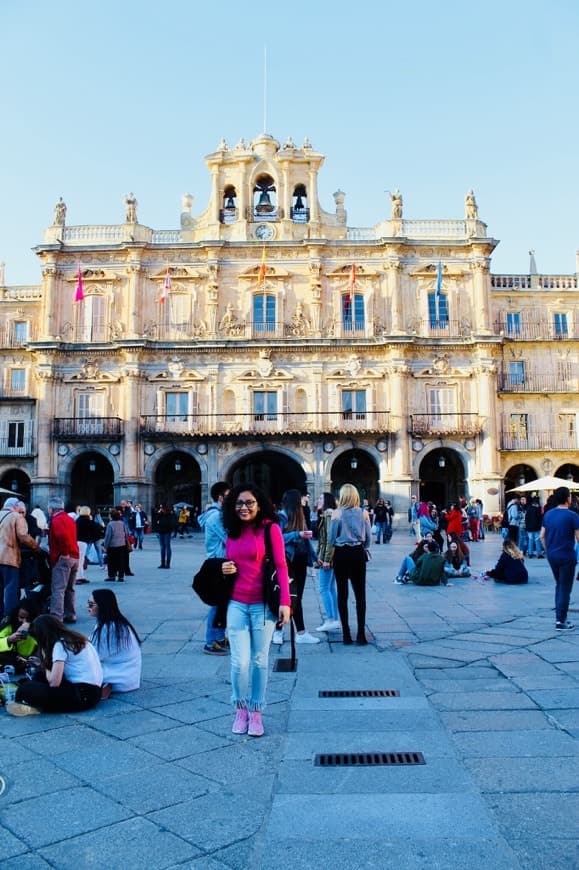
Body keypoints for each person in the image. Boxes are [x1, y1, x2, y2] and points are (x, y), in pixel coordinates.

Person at [221, 484, 291, 737]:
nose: (244, 507)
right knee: (239, 662)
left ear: (259, 504)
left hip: (263, 605)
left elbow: (282, 566)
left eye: (249, 502)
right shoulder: (232, 531)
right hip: (236, 603)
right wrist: (223, 568)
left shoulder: (270, 529)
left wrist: (285, 602)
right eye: (239, 503)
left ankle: (257, 711)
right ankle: (241, 709)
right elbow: (223, 561)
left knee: (260, 660)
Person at [8, 614, 102, 716]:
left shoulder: (60, 645)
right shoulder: (75, 638)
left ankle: (34, 705)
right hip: (93, 692)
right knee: (39, 676)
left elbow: (54, 682)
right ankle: (33, 702)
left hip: (82, 696)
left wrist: (44, 661)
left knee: (26, 689)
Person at [275, 489, 320, 645]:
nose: (304, 500)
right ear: (294, 501)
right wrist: (297, 535)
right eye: (301, 498)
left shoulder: (300, 516)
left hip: (300, 561)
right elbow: (277, 537)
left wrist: (315, 558)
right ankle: (279, 631)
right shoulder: (281, 516)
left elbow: (306, 541)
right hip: (287, 561)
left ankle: (298, 633)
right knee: (286, 597)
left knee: (297, 598)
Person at [329, 483, 372, 645]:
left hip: (341, 554)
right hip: (358, 554)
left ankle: (346, 634)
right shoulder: (364, 513)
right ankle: (361, 634)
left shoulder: (336, 514)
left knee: (342, 593)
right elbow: (368, 538)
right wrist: (362, 546)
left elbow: (332, 538)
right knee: (360, 594)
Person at [88, 589, 142, 697]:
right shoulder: (114, 623)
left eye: (91, 604)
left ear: (102, 605)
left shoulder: (110, 627)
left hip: (119, 676)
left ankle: (102, 686)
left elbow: (96, 655)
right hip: (127, 675)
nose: (88, 608)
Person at [540, 486, 579, 630]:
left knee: (559, 585)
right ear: (568, 498)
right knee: (565, 588)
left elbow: (541, 536)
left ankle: (560, 618)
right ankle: (560, 620)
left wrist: (548, 550)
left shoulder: (548, 514)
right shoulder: (572, 516)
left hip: (552, 556)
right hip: (567, 556)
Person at [198, 481, 230, 656]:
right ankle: (211, 641)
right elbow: (228, 538)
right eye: (229, 496)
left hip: (220, 561)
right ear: (220, 498)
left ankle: (218, 637)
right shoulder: (216, 517)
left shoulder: (219, 514)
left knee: (222, 603)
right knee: (218, 604)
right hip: (218, 563)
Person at [0, 496, 41, 621]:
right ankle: (9, 619)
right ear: (16, 506)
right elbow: (23, 536)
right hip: (9, 559)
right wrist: (36, 547)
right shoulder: (16, 516)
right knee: (10, 591)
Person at [47, 496, 79, 624]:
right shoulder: (70, 519)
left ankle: (56, 617)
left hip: (63, 558)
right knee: (70, 588)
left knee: (58, 589)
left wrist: (64, 553)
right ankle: (70, 614)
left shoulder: (56, 520)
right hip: (75, 556)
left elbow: (62, 536)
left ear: (51, 509)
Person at [315, 492, 340, 632]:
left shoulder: (329, 514)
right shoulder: (327, 514)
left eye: (320, 498)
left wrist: (326, 559)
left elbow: (330, 540)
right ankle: (334, 619)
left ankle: (331, 619)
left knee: (324, 588)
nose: (317, 500)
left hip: (328, 558)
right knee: (330, 588)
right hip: (329, 557)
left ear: (327, 501)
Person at [0, 597, 39, 668]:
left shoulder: (38, 626)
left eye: (28, 619)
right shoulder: (9, 622)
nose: (23, 621)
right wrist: (8, 640)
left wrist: (30, 632)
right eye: (21, 617)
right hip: (7, 656)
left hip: (26, 659)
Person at [75, 506, 104, 585]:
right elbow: (97, 527)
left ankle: (81, 576)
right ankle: (77, 577)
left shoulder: (78, 520)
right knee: (80, 560)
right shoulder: (86, 520)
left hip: (78, 541)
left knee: (80, 560)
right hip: (82, 542)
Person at [102, 509, 130, 582]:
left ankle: (112, 576)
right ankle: (121, 576)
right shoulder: (122, 523)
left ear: (111, 516)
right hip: (122, 544)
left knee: (111, 561)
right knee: (121, 561)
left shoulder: (110, 524)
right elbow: (125, 533)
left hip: (112, 545)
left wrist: (105, 546)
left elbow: (108, 536)